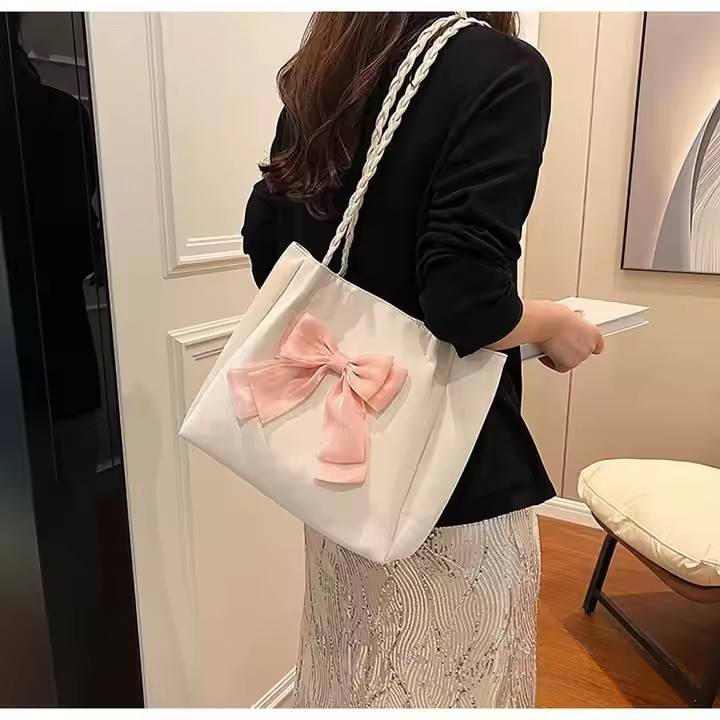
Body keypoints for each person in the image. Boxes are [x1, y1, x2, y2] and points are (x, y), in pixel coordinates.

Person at [242, 11, 603, 709]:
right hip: (448, 477)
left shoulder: (327, 71)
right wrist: (559, 326)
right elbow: (467, 303)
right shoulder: (501, 67)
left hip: (339, 465)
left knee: (353, 676)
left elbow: (267, 249)